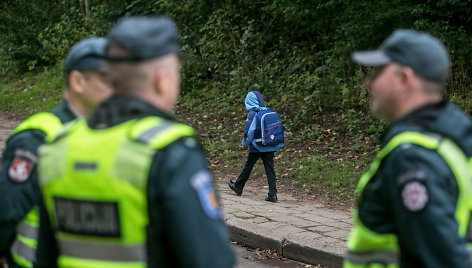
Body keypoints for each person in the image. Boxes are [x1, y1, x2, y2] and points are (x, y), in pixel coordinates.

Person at [35, 16, 235, 268]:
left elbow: (43, 256)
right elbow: (211, 260)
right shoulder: (169, 151)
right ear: (162, 79)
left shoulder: (58, 147)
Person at [344, 29, 472, 267]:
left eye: (378, 72)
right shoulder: (453, 140)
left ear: (404, 78)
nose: (368, 81)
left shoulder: (413, 157)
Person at [0, 38, 111, 268]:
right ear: (78, 81)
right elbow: (6, 212)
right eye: (108, 80)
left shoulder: (116, 135)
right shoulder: (38, 137)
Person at [228, 91, 283, 202]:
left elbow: (249, 132)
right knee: (270, 169)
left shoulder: (253, 114)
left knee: (248, 166)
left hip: (257, 146)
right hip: (269, 145)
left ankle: (238, 187)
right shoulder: (268, 111)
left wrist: (244, 144)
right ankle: (272, 194)